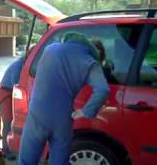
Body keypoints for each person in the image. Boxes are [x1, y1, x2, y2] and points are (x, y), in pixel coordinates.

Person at [18, 32, 110, 165]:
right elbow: (103, 89)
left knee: (26, 160)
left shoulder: (50, 49)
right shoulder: (90, 62)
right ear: (97, 55)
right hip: (63, 118)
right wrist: (86, 111)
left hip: (36, 114)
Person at [0, 56, 24, 161]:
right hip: (6, 92)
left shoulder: (22, 64)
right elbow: (17, 86)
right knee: (8, 122)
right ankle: (5, 150)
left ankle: (12, 146)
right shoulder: (18, 66)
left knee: (14, 122)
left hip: (11, 91)